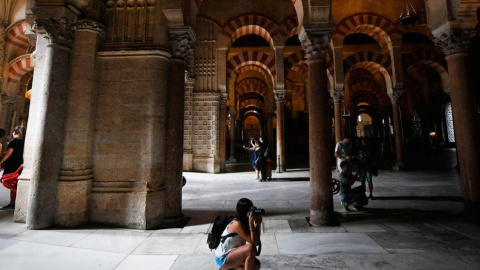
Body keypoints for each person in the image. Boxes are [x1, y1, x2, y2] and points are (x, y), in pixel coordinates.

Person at [214, 198, 262, 270]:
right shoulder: (237, 224)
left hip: (231, 254)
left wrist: (258, 224)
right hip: (222, 259)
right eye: (250, 210)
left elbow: (256, 241)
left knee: (255, 265)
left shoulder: (245, 222)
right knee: (250, 249)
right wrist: (251, 223)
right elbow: (254, 243)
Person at [0, 126, 26, 209]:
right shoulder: (25, 142)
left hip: (12, 165)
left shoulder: (14, 141)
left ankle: (12, 202)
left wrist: (1, 161)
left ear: (15, 132)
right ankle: (16, 202)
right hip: (20, 165)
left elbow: (9, 153)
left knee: (12, 183)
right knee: (17, 183)